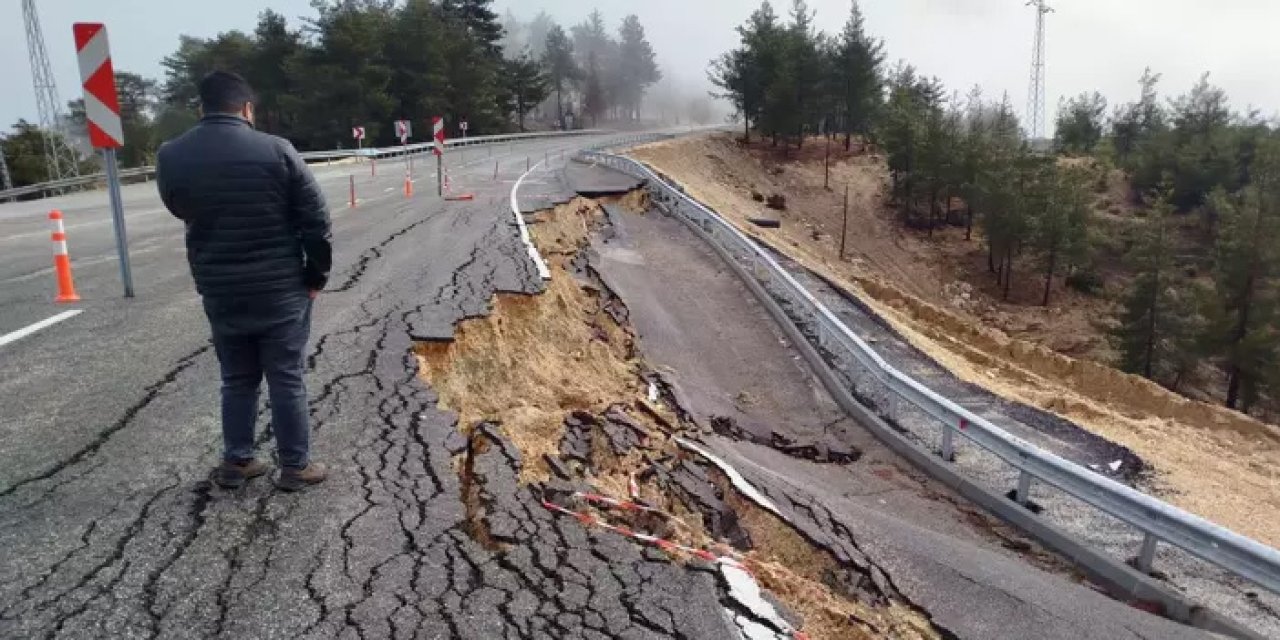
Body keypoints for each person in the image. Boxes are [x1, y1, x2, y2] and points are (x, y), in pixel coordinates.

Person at [157, 71, 332, 492]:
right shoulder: (277, 150)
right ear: (247, 108)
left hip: (221, 287)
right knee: (286, 376)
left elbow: (177, 207)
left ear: (202, 108)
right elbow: (316, 220)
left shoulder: (172, 154)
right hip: (281, 288)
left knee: (236, 378)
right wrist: (316, 275)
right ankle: (295, 467)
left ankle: (238, 461)